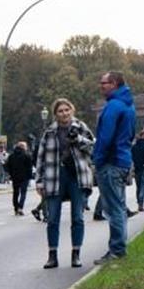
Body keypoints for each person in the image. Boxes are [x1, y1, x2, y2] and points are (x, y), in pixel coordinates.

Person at [35, 99, 95, 268]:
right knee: (52, 218)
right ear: (56, 114)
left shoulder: (81, 127)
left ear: (72, 110)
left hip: (76, 176)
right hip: (55, 176)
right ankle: (52, 255)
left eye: (67, 110)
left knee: (77, 217)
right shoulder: (49, 132)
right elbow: (40, 157)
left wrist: (78, 139)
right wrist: (39, 182)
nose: (64, 113)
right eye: (60, 111)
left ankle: (76, 254)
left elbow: (93, 147)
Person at [92, 71, 137, 264]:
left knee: (113, 208)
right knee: (118, 205)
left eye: (105, 83)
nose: (101, 86)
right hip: (122, 160)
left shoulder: (113, 106)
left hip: (111, 162)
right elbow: (131, 133)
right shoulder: (129, 105)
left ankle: (117, 250)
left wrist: (98, 159)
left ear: (115, 84)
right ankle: (118, 247)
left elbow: (105, 137)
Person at [5, 141, 34, 215]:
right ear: (24, 147)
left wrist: (11, 174)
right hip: (24, 178)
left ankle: (16, 208)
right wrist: (30, 176)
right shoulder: (27, 155)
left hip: (15, 177)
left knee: (15, 193)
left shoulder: (11, 156)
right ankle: (20, 207)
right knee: (23, 193)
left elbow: (7, 166)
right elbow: (29, 167)